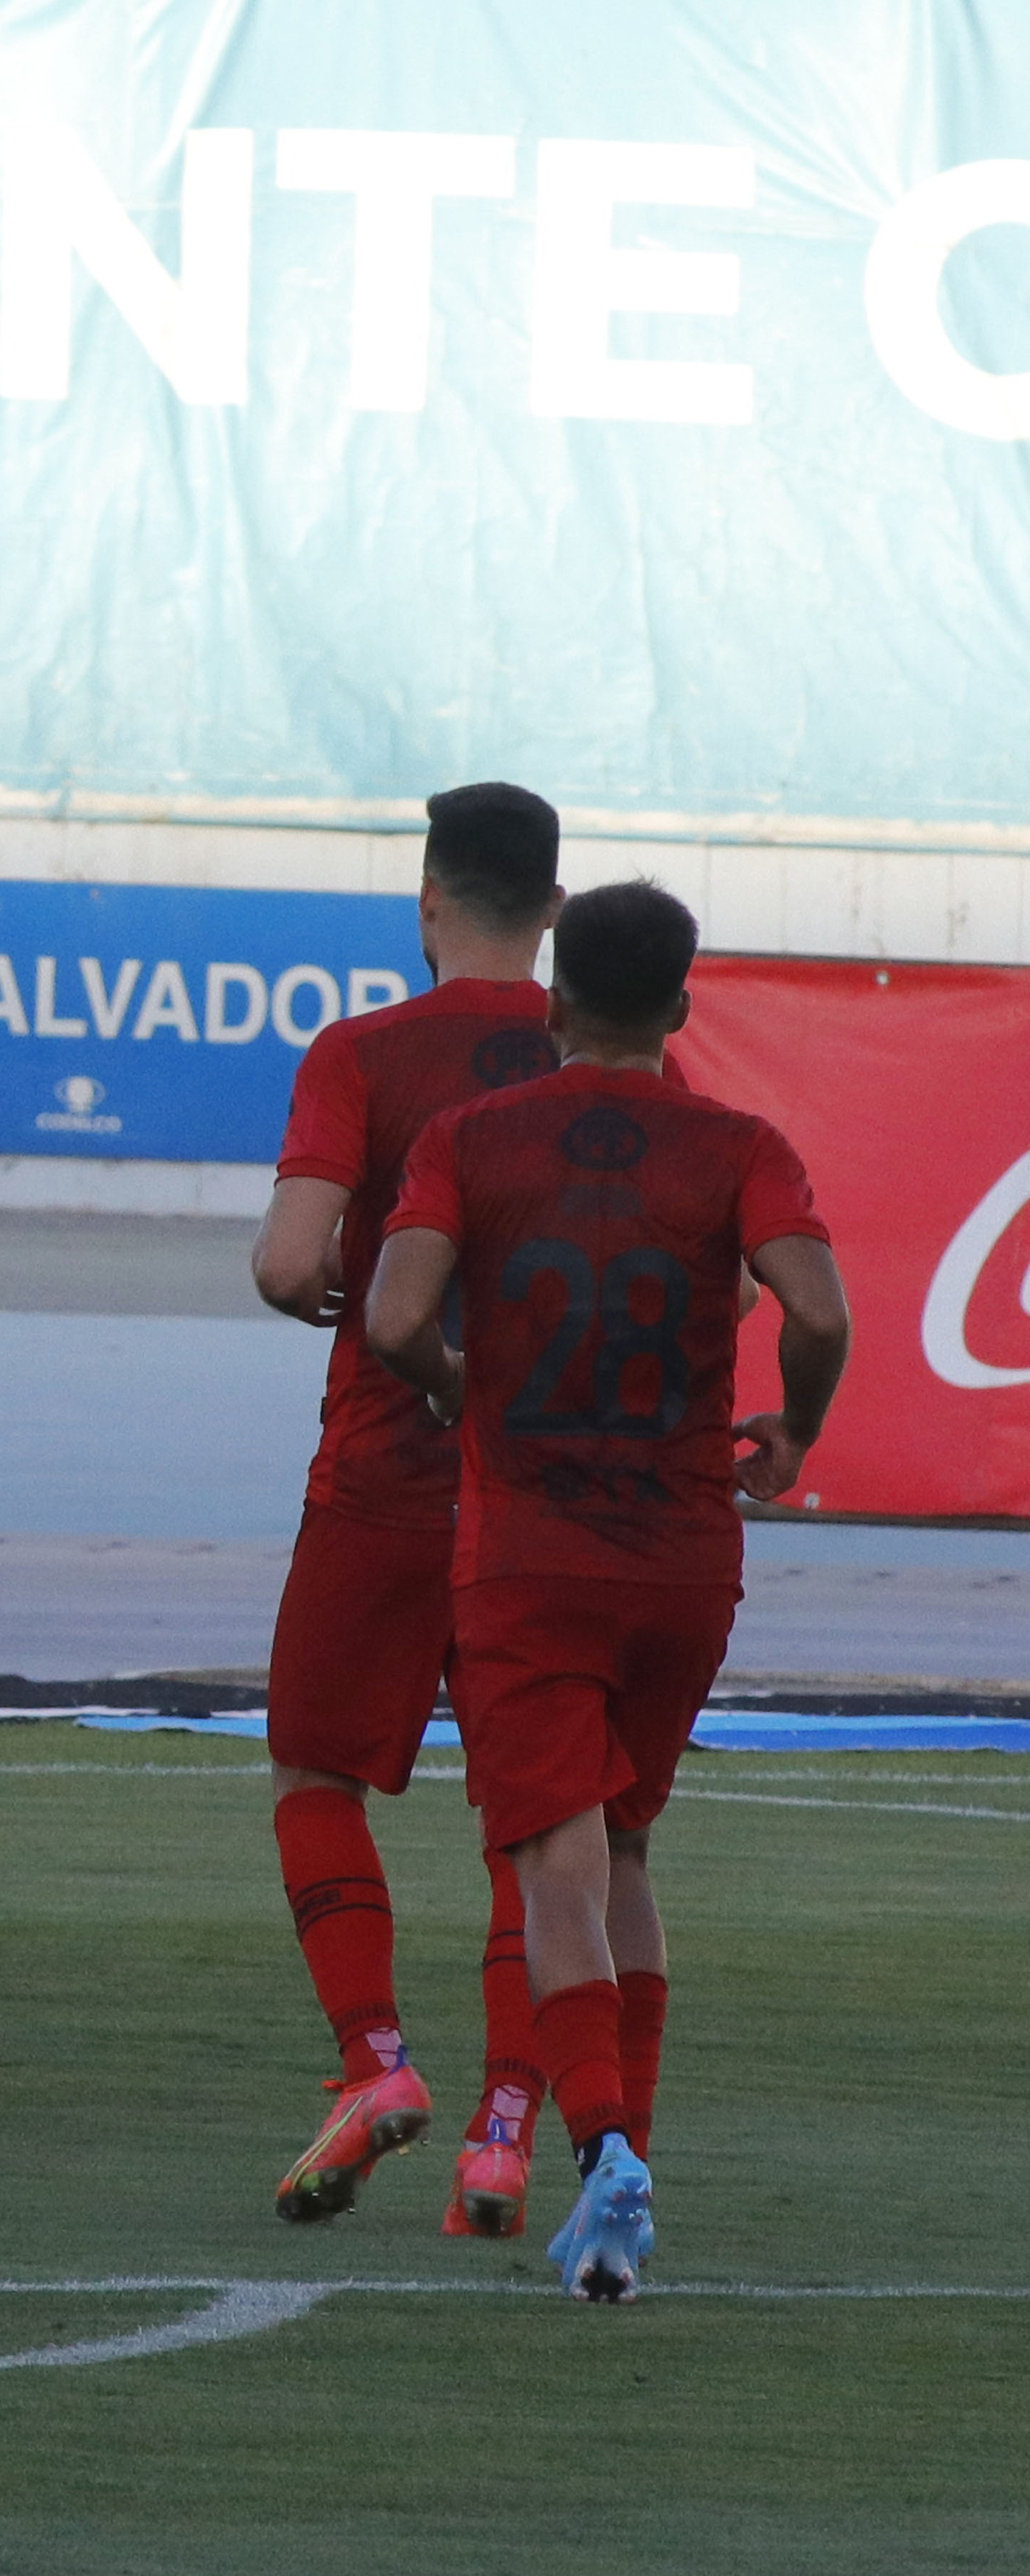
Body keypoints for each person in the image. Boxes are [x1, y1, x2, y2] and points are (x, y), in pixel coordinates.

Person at [362, 880, 847, 2302]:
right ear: (684, 1009)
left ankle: (606, 2153)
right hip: (684, 1553)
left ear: (557, 1005)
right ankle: (621, 2171)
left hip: (526, 1550)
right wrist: (798, 1427)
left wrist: (462, 1381)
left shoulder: (471, 1138)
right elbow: (816, 1305)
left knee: (553, 1868)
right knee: (625, 1849)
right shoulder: (740, 1143)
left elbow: (395, 1313)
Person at [245, 781, 575, 2232]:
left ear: (426, 897)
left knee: (314, 1772)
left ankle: (375, 2059)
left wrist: (339, 1273)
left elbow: (285, 1259)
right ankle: (507, 2130)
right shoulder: (609, 1049)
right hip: (555, 1495)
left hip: (385, 1471)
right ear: (554, 909)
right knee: (536, 1820)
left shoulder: (365, 1052)